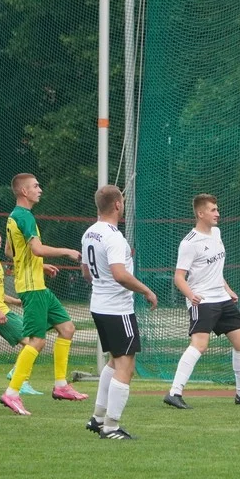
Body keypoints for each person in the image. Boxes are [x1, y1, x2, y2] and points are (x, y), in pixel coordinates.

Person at [0, 173, 85, 415]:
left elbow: (9, 250)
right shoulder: (23, 216)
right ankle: (12, 393)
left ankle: (61, 386)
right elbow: (36, 249)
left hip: (38, 286)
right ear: (23, 192)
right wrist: (67, 251)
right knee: (37, 341)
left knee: (67, 328)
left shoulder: (15, 216)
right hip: (32, 289)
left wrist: (39, 266)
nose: (40, 189)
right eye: (36, 186)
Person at [164, 194, 240, 409]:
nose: (217, 213)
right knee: (200, 344)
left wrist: (228, 289)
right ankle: (174, 392)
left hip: (222, 298)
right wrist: (191, 295)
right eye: (213, 210)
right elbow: (179, 277)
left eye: (217, 209)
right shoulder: (189, 243)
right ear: (201, 213)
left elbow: (215, 270)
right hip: (203, 301)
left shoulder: (216, 233)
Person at [81, 185, 157, 439]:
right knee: (126, 366)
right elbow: (120, 274)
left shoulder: (89, 233)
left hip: (99, 306)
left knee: (114, 362)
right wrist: (146, 291)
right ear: (117, 205)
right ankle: (111, 427)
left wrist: (102, 286)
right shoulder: (113, 236)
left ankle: (97, 418)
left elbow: (85, 273)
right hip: (117, 309)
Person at [0, 224, 52, 396]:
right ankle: (20, 379)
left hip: (1, 310)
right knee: (33, 342)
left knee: (35, 342)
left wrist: (17, 302)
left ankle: (18, 376)